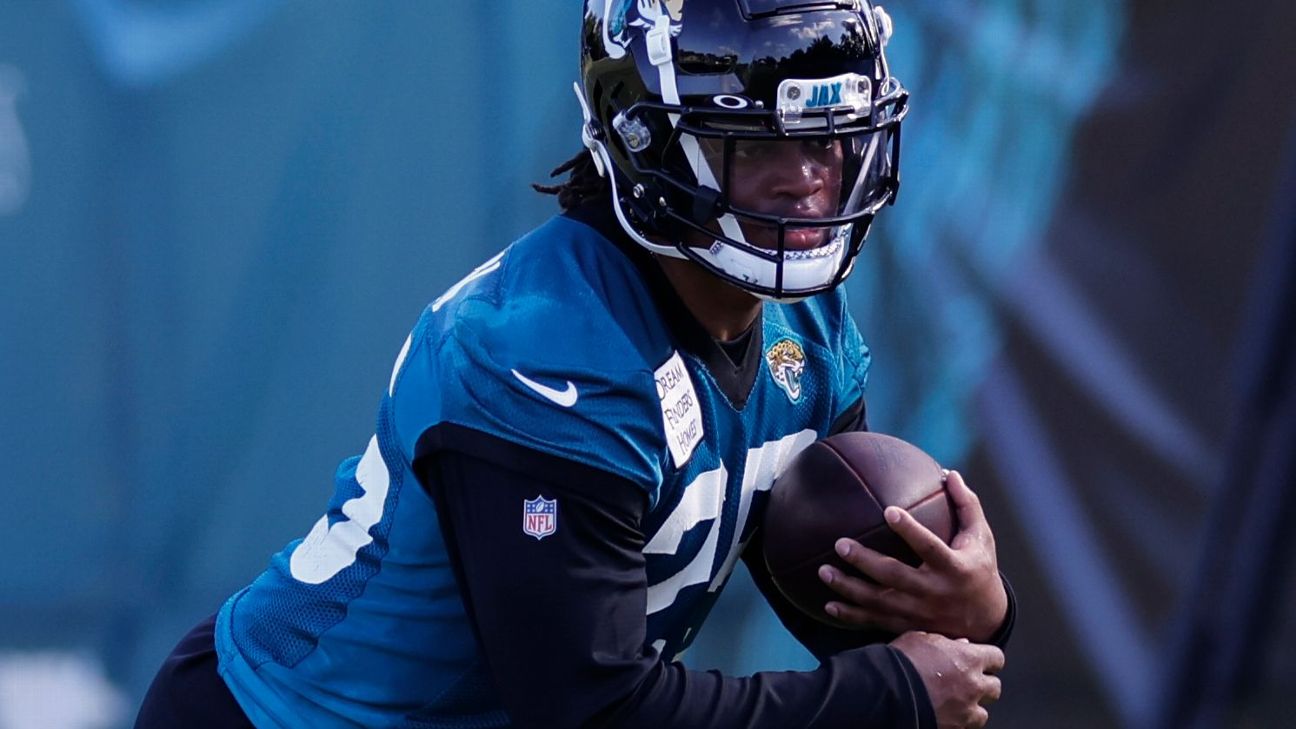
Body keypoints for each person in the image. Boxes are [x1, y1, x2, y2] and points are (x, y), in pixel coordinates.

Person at [137, 1, 1015, 727]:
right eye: (760, 147)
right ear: (651, 142)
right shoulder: (544, 353)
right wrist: (890, 696)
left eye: (826, 139)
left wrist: (964, 610)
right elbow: (590, 708)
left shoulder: (809, 329)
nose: (808, 182)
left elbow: (840, 611)